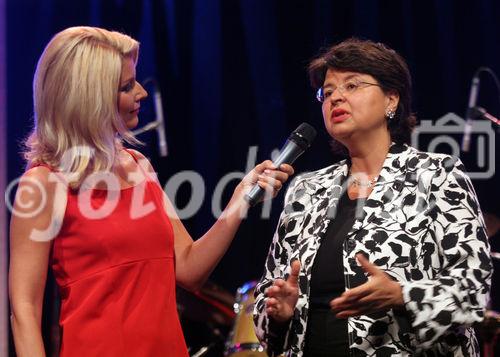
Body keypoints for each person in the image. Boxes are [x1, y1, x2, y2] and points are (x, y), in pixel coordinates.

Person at [8, 26, 294, 357]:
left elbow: (188, 270)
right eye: (126, 87)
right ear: (88, 98)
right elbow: (24, 312)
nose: (142, 92)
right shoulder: (43, 184)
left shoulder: (138, 165)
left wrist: (241, 198)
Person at [253, 38, 492, 356]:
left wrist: (401, 294)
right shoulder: (306, 191)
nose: (335, 97)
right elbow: (265, 293)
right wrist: (277, 312)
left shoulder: (436, 175)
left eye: (352, 86)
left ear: (391, 99)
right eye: (327, 92)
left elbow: (474, 289)